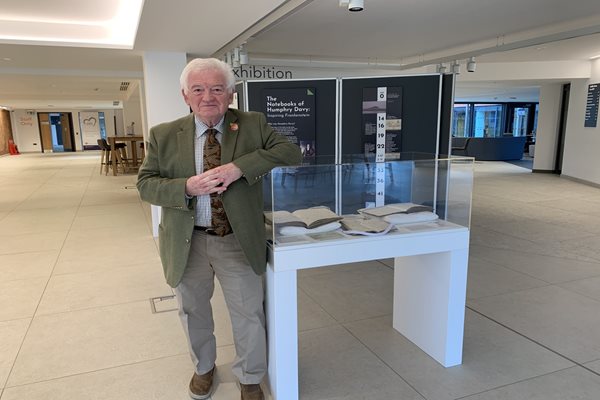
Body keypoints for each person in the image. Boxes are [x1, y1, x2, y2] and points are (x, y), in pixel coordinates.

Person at [137, 58, 302, 400]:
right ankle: (204, 367)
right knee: (192, 309)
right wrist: (187, 187)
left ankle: (251, 376)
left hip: (236, 239)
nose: (207, 96)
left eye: (216, 88)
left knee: (248, 312)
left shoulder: (252, 124)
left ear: (230, 94)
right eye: (198, 89)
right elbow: (145, 185)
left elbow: (291, 152)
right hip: (187, 241)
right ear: (186, 96)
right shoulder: (163, 134)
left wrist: (239, 168)